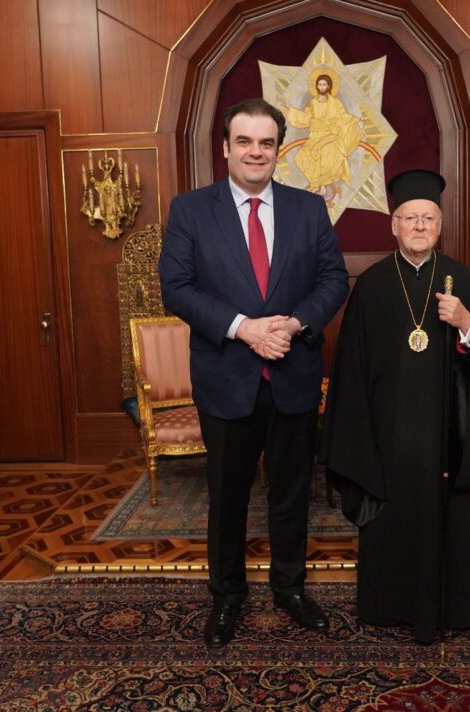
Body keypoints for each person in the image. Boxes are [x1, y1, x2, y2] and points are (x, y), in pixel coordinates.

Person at [159, 98, 348, 649]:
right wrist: (244, 328)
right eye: (244, 141)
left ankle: (290, 589)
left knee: (291, 494)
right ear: (226, 147)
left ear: (278, 149)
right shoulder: (191, 210)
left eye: (266, 143)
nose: (255, 152)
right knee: (228, 497)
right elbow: (177, 288)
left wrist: (294, 322)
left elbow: (334, 279)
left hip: (293, 375)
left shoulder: (308, 208)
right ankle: (227, 597)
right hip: (226, 380)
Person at [320, 169, 470, 644]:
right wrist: (355, 436)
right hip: (386, 436)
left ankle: (448, 607)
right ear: (394, 225)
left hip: (445, 434)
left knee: (444, 516)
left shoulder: (462, 279)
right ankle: (386, 606)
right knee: (389, 516)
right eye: (410, 218)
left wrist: (466, 323)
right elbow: (350, 366)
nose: (420, 226)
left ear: (440, 226)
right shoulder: (372, 285)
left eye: (428, 218)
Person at [284, 72, 362, 201]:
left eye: (324, 84)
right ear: (316, 86)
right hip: (314, 136)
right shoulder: (313, 103)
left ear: (329, 86)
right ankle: (317, 184)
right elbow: (306, 118)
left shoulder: (335, 102)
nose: (321, 87)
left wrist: (355, 120)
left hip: (330, 137)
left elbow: (343, 116)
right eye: (319, 84)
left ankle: (320, 185)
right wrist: (290, 108)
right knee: (300, 157)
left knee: (325, 154)